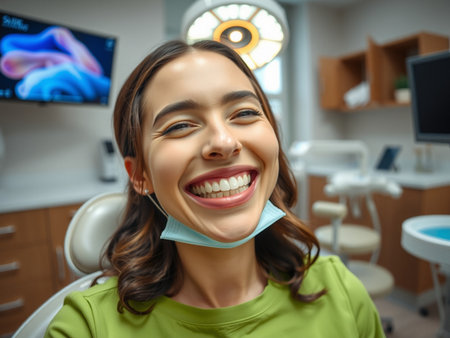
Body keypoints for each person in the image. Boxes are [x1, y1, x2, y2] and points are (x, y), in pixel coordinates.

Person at [45, 40, 385, 337]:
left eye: (245, 113)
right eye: (180, 125)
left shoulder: (341, 292)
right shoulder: (88, 327)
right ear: (140, 175)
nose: (223, 142)